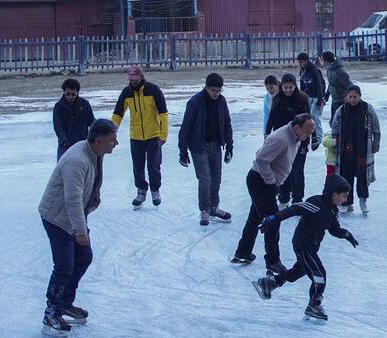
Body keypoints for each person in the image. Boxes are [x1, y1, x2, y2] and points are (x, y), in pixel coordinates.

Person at [37, 119, 118, 337]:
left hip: (74, 215)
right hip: (58, 217)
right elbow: (72, 200)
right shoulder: (77, 160)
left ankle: (64, 303)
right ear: (99, 141)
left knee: (83, 257)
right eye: (112, 140)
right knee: (64, 265)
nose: (116, 143)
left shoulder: (94, 152)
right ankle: (51, 311)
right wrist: (80, 231)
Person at [253, 174, 358, 322]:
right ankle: (314, 305)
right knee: (319, 275)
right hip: (303, 245)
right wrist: (274, 218)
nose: (345, 200)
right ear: (334, 194)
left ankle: (269, 283)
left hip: (312, 246)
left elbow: (334, 229)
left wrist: (346, 234)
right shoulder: (316, 203)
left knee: (297, 272)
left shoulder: (333, 210)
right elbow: (295, 209)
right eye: (343, 196)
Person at [233, 113, 317, 275]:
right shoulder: (280, 138)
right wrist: (271, 182)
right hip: (260, 181)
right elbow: (261, 160)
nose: (307, 136)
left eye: (310, 133)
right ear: (297, 126)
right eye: (307, 132)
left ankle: (243, 252)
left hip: (268, 182)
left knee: (255, 217)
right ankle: (273, 261)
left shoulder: (296, 137)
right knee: (273, 220)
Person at [178, 73, 234, 227]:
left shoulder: (221, 101)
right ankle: (204, 209)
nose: (216, 94)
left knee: (216, 178)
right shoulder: (195, 102)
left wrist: (229, 145)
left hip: (216, 144)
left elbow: (227, 123)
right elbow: (186, 127)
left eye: (219, 90)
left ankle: (213, 207)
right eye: (213, 90)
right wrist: (182, 151)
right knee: (205, 178)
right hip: (198, 145)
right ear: (207, 87)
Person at [111, 65, 169, 207]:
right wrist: (111, 133)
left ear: (141, 77)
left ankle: (155, 190)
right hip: (135, 136)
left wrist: (163, 134)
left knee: (153, 166)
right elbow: (118, 114)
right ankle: (141, 190)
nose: (133, 82)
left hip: (153, 135)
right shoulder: (126, 93)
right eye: (131, 79)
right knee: (138, 166)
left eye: (136, 79)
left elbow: (163, 114)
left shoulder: (153, 90)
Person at [266, 73, 320, 208]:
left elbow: (309, 119)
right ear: (281, 86)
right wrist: (267, 134)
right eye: (286, 87)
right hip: (282, 141)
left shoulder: (302, 98)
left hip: (300, 140)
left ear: (295, 86)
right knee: (282, 169)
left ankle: (297, 199)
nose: (288, 90)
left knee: (297, 170)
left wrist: (313, 137)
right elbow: (271, 118)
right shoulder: (277, 99)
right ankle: (283, 197)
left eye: (291, 87)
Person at [330, 85, 381, 215]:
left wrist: (376, 143)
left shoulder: (367, 109)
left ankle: (363, 201)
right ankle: (346, 203)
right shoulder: (341, 110)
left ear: (360, 96)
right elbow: (334, 128)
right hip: (346, 148)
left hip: (363, 148)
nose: (352, 99)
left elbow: (376, 127)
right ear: (347, 97)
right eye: (350, 97)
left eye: (355, 97)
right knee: (346, 176)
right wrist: (335, 145)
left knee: (362, 176)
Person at [53, 78, 95, 160]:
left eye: (73, 94)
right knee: (63, 171)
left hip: (82, 145)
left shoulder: (85, 104)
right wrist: (64, 141)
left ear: (77, 93)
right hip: (65, 146)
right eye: (68, 94)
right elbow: (58, 127)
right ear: (64, 92)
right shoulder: (58, 107)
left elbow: (92, 122)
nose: (70, 97)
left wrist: (96, 136)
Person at [297, 52, 327, 135]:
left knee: (315, 118)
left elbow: (320, 85)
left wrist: (320, 99)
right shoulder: (302, 71)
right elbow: (302, 85)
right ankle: (311, 135)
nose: (299, 64)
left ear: (306, 61)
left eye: (301, 62)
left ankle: (319, 137)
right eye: (298, 62)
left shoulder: (315, 70)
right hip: (308, 97)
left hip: (316, 97)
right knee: (308, 117)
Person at [322, 51, 353, 124]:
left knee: (338, 122)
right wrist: (327, 95)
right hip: (335, 98)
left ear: (326, 60)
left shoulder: (339, 71)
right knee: (333, 122)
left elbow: (350, 85)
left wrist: (349, 97)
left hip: (342, 99)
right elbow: (331, 83)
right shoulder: (329, 68)